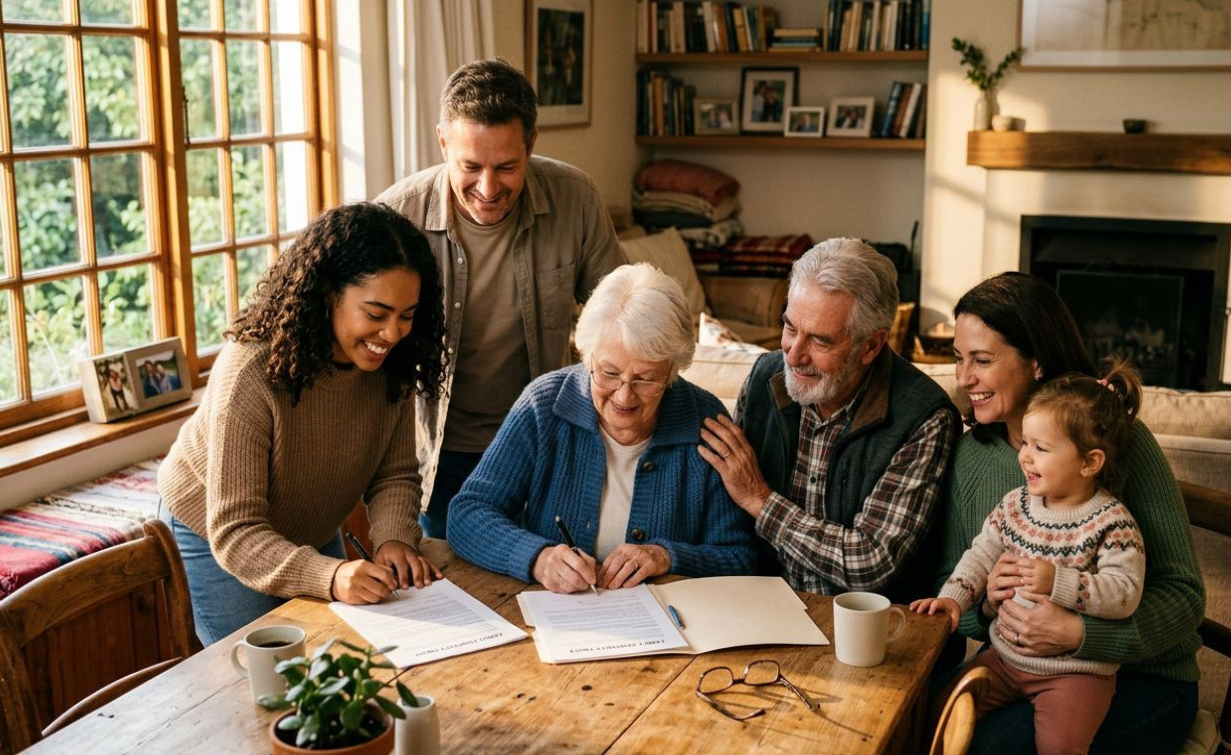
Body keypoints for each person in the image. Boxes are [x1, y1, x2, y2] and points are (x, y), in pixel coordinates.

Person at [939, 272, 1204, 755]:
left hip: (1145, 680)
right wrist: (986, 604)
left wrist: (1082, 634)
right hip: (1022, 666)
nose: (963, 377)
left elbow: (1185, 597)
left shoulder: (1116, 443)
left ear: (1036, 360)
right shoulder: (974, 457)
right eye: (957, 356)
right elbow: (958, 581)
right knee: (937, 717)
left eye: (983, 360)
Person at [157, 203, 448, 646]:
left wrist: (394, 540)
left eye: (406, 315)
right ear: (328, 294)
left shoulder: (394, 363)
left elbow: (394, 475)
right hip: (216, 536)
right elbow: (236, 532)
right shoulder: (250, 373)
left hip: (305, 530)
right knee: (266, 678)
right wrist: (330, 575)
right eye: (376, 314)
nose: (392, 333)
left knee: (334, 659)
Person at [376, 58, 623, 540]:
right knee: (462, 598)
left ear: (531, 144)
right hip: (441, 454)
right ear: (443, 142)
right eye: (470, 166)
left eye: (507, 167)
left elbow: (622, 315)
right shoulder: (393, 218)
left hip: (546, 444)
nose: (488, 189)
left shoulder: (575, 198)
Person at [912, 362, 1146, 755]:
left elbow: (1124, 594)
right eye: (1026, 443)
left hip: (1075, 676)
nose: (1025, 456)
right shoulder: (1016, 505)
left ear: (1089, 462)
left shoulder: (1111, 522)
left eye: (1041, 447)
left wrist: (1058, 581)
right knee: (941, 711)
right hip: (1004, 660)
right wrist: (953, 601)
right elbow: (980, 556)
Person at [447, 263, 756, 592]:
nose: (624, 395)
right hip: (563, 625)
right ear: (588, 355)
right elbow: (467, 514)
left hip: (673, 628)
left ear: (671, 371)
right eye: (609, 373)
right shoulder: (544, 405)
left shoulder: (703, 421)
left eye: (645, 378)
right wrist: (538, 558)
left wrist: (667, 556)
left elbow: (743, 556)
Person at [698, 238, 959, 599]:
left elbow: (870, 561)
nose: (793, 355)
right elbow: (721, 514)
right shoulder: (765, 380)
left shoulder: (923, 417)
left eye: (820, 341)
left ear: (871, 345)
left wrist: (761, 500)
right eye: (790, 328)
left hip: (873, 629)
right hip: (765, 607)